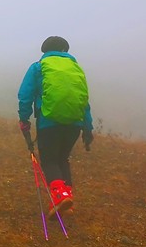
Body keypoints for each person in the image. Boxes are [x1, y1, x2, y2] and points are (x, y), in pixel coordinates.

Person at [18, 36, 94, 215]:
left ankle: (60, 198)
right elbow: (84, 101)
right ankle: (67, 199)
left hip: (48, 121)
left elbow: (25, 94)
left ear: (44, 50)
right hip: (75, 122)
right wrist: (87, 127)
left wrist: (24, 118)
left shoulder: (38, 67)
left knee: (50, 160)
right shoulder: (75, 68)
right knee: (62, 159)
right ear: (64, 50)